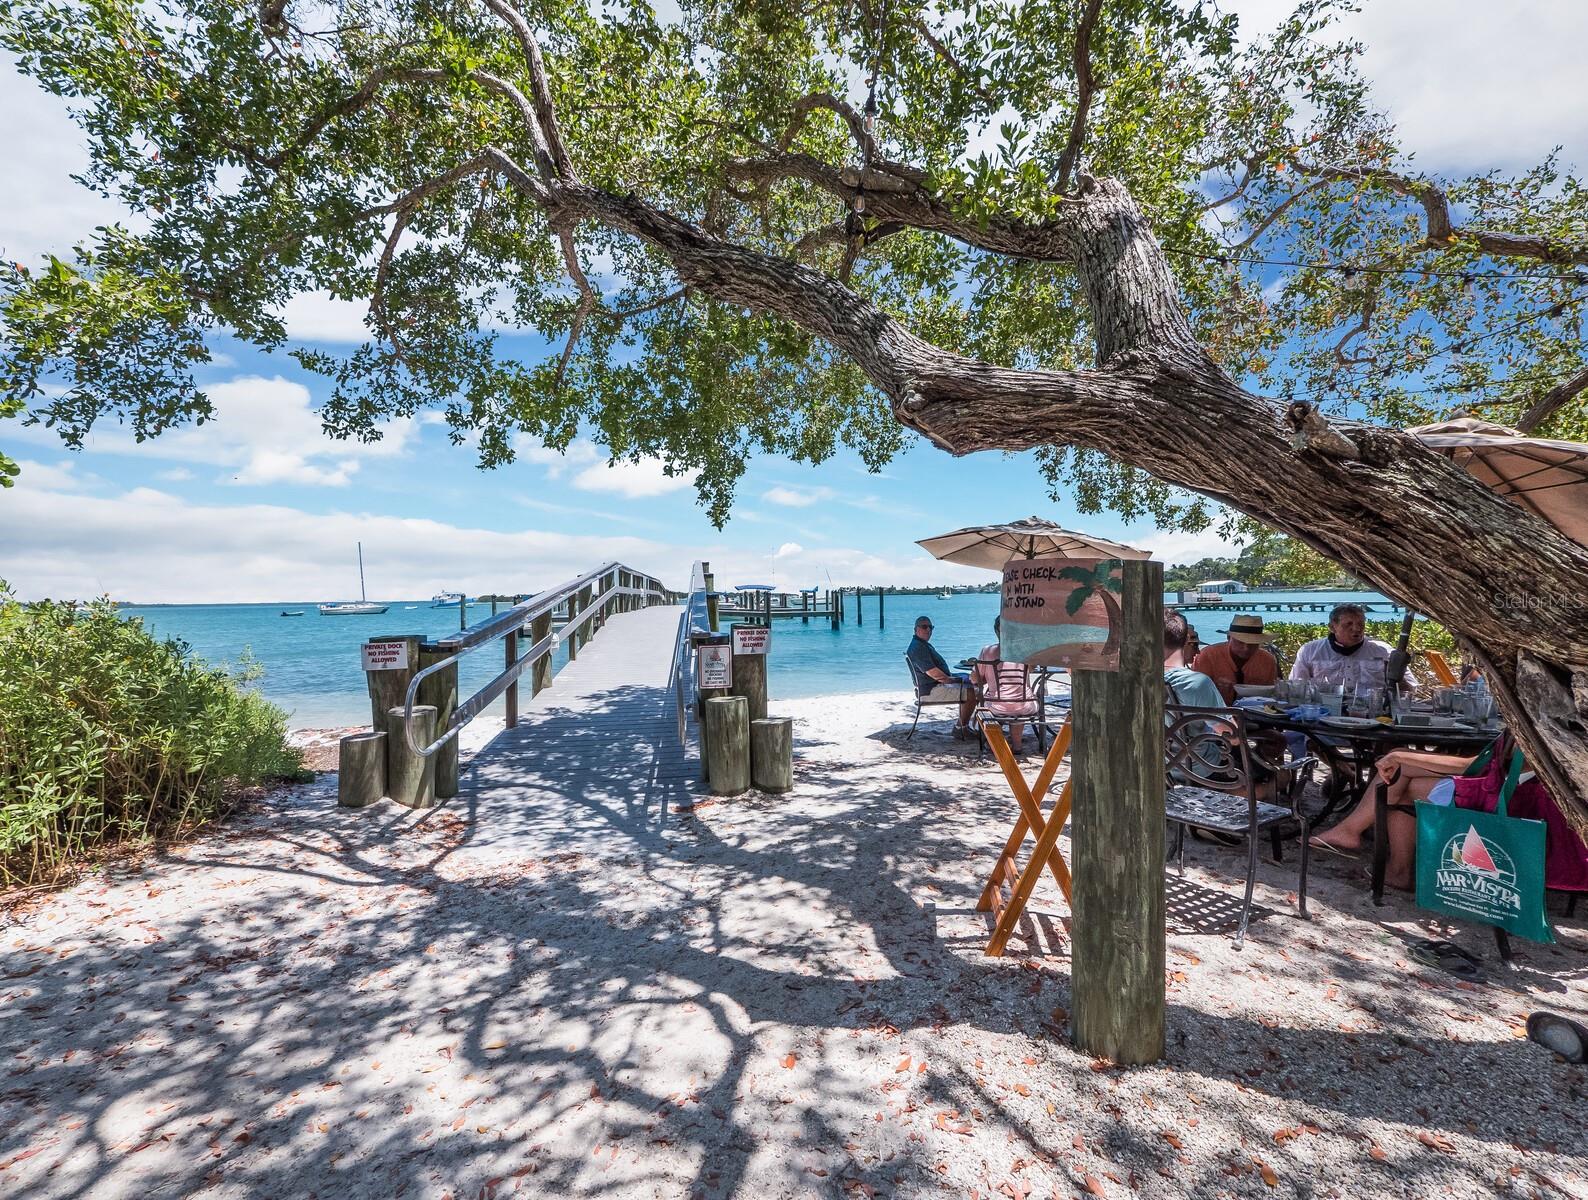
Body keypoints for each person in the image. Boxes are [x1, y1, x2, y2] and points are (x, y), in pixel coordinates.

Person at [1309, 749, 1477, 889]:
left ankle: (1351, 832)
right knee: (1399, 769)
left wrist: (1400, 757)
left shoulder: (1505, 725)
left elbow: (1471, 765)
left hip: (1487, 793)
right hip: (1492, 783)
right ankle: (1398, 871)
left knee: (1398, 768)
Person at [1291, 603, 1416, 693]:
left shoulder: (1384, 651)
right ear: (1332, 627)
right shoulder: (1310, 651)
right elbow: (1296, 687)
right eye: (1348, 624)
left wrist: (1397, 677)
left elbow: (1410, 689)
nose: (1356, 629)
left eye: (1360, 624)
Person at [975, 617, 1039, 755]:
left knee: (996, 702)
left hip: (998, 706)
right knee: (1018, 699)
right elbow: (1033, 668)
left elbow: (977, 679)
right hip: (1026, 705)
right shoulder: (1026, 650)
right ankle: (1017, 745)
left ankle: (995, 741)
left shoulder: (987, 651)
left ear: (997, 631)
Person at [906, 615, 976, 736]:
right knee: (973, 692)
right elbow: (936, 675)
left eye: (931, 627)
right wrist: (955, 680)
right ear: (916, 629)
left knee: (971, 679)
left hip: (933, 685)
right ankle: (961, 728)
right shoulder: (918, 648)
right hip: (931, 690)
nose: (928, 630)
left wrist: (960, 678)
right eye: (924, 627)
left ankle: (962, 726)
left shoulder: (921, 644)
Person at [1192, 614, 1279, 703]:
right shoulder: (1208, 656)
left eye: (1253, 644)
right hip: (1214, 712)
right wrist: (1214, 688)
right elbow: (1194, 693)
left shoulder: (1267, 660)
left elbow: (1271, 695)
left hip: (1257, 713)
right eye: (1240, 643)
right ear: (1229, 638)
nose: (1246, 648)